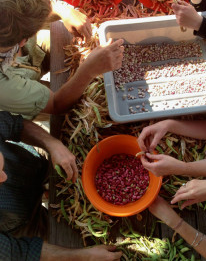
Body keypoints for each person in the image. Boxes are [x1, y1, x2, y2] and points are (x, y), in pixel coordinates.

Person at [0, 111, 122, 260]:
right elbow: (21, 252)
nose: (4, 177)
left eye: (1, 168)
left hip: (30, 165)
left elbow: (16, 125)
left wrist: (52, 144)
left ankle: (45, 190)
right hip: (21, 222)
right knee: (67, 236)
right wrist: (85, 256)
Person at [0, 0, 124, 119]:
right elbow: (56, 104)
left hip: (30, 53)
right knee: (60, 112)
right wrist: (88, 70)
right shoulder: (5, 88)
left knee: (63, 43)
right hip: (13, 96)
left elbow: (20, 7)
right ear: (23, 41)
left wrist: (62, 11)